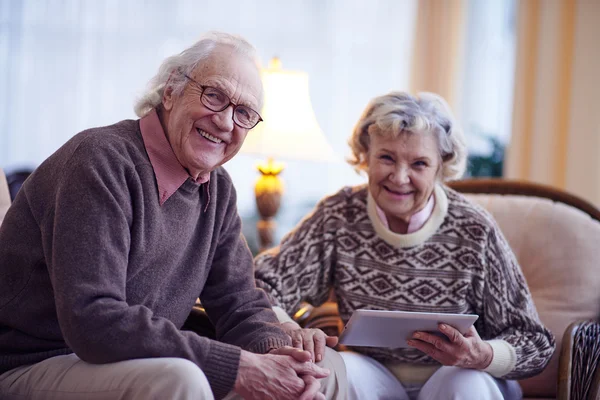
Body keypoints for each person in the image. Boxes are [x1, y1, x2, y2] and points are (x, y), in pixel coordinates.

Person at [0, 31, 346, 400]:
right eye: (214, 96)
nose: (226, 122)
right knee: (181, 379)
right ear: (170, 91)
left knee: (318, 373)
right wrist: (238, 366)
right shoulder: (100, 162)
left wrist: (279, 358)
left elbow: (240, 304)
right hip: (36, 361)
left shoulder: (218, 189)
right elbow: (93, 320)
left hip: (122, 361)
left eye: (243, 113)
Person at [255, 91, 555, 400]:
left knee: (464, 384)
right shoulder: (339, 215)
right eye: (386, 157)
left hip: (459, 375)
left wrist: (483, 354)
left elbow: (535, 342)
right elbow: (261, 284)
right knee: (322, 371)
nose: (399, 178)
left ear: (441, 167)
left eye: (419, 164)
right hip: (370, 371)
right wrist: (289, 327)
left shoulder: (474, 228)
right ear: (365, 155)